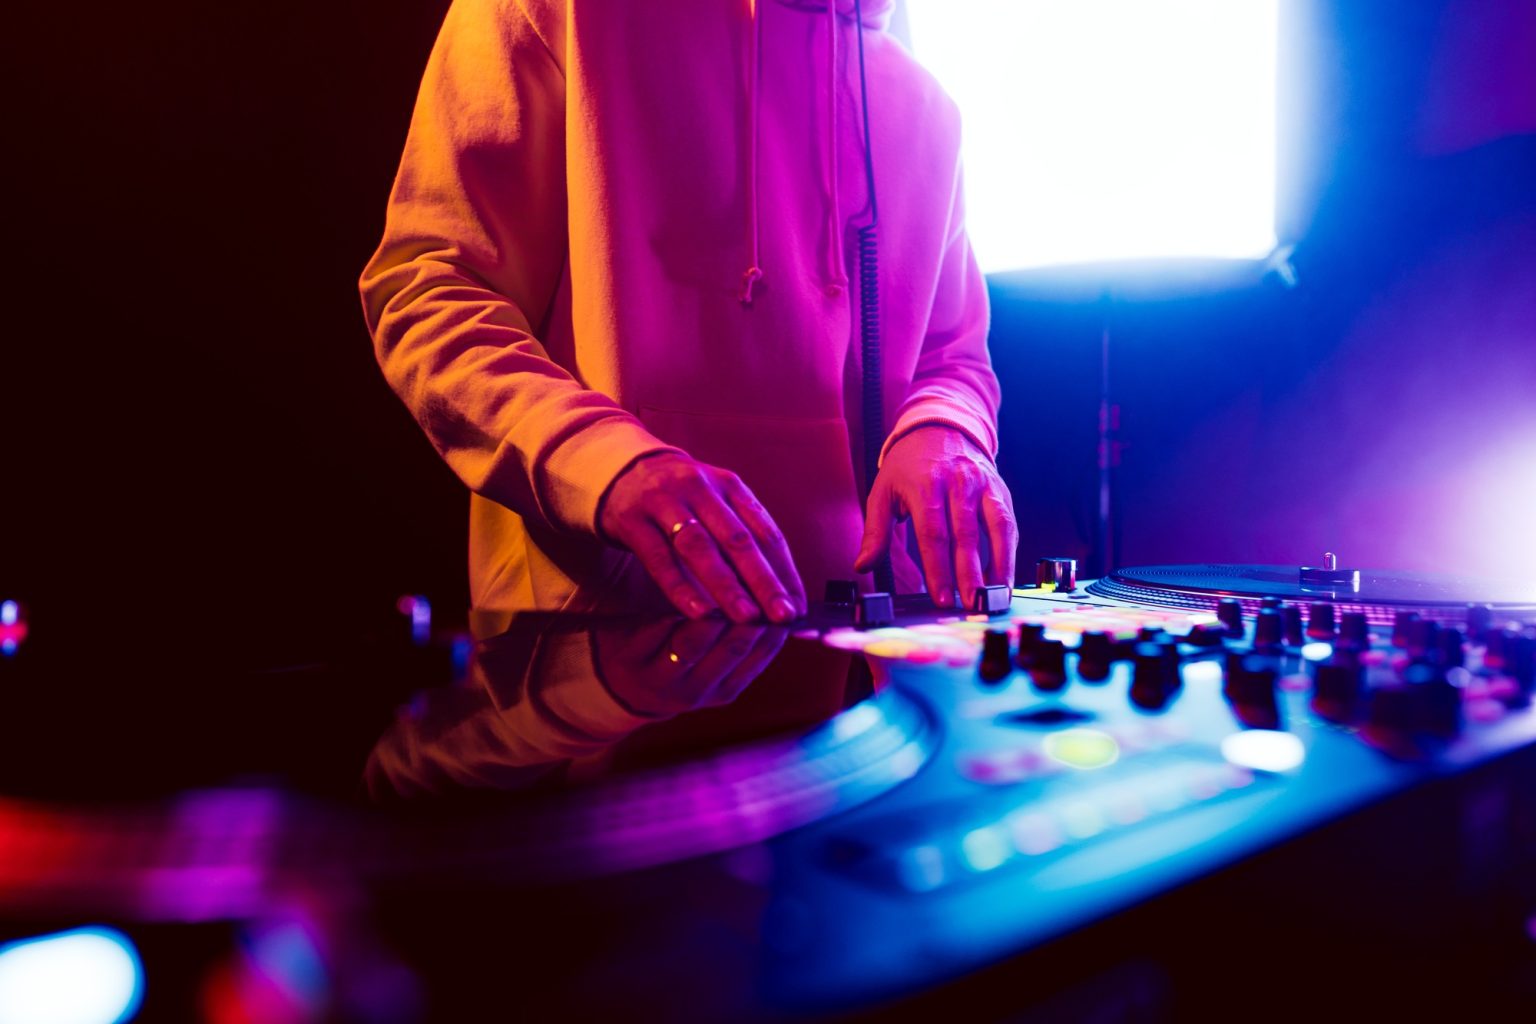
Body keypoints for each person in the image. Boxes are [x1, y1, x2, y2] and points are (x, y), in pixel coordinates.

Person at [360, 0, 1016, 624]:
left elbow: (952, 354)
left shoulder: (926, 106)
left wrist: (944, 432)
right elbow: (432, 290)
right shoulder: (560, 11)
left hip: (857, 688)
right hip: (598, 670)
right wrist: (600, 462)